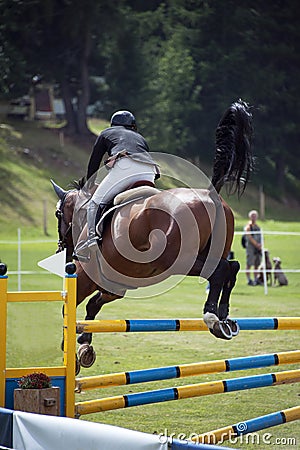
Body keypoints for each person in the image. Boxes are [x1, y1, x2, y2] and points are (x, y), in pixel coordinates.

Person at [83, 110, 159, 252]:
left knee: (94, 203)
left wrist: (90, 184)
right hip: (150, 171)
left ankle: (92, 239)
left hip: (125, 166)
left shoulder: (106, 133)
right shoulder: (140, 137)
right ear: (133, 126)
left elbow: (94, 162)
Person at [244, 210, 262, 285]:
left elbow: (261, 237)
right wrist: (256, 244)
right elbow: (249, 237)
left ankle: (255, 279)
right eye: (252, 216)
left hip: (258, 249)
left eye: (255, 216)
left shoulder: (258, 227)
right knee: (249, 263)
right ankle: (249, 279)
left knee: (256, 264)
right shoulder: (248, 227)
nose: (254, 218)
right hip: (251, 248)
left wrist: (260, 245)